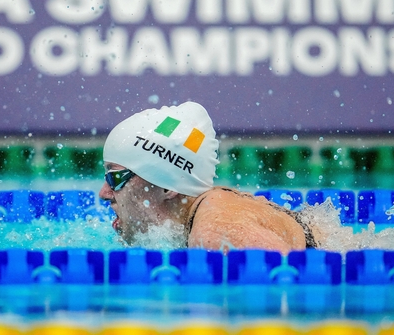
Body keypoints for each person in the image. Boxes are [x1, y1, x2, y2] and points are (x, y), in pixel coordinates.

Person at [98, 101, 321, 253]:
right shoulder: (206, 211)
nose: (104, 193)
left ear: (167, 187)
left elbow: (289, 286)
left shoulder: (216, 234)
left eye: (115, 178)